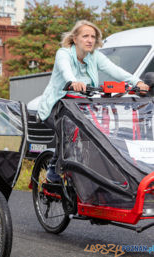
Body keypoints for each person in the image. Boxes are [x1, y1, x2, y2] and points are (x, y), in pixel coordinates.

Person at [37, 20, 149, 183]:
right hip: (57, 104)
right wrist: (73, 82)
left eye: (93, 37)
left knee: (96, 134)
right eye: (85, 36)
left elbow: (115, 71)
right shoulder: (64, 53)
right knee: (68, 131)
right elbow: (65, 69)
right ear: (75, 39)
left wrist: (137, 82)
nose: (90, 40)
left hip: (80, 105)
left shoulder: (95, 56)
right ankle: (53, 170)